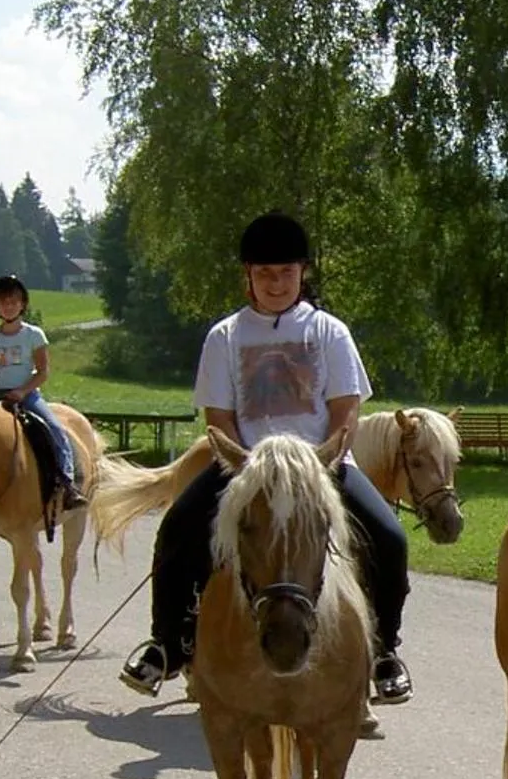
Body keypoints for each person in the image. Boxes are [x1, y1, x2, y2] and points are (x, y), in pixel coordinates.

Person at [119, 213, 413, 706]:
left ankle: (384, 653)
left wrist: (320, 461)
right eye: (265, 274)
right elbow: (218, 418)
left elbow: (345, 412)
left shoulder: (329, 332)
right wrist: (249, 467)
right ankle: (167, 643)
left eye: (286, 273)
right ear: (248, 276)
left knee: (390, 538)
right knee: (176, 530)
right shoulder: (225, 337)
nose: (276, 284)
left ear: (302, 273)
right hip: (246, 468)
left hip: (321, 467)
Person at [0, 274, 85, 511]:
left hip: (27, 395)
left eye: (14, 301)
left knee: (55, 428)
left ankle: (68, 483)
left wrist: (21, 391)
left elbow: (43, 372)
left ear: (23, 304)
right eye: (3, 302)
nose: (8, 306)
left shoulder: (34, 335)